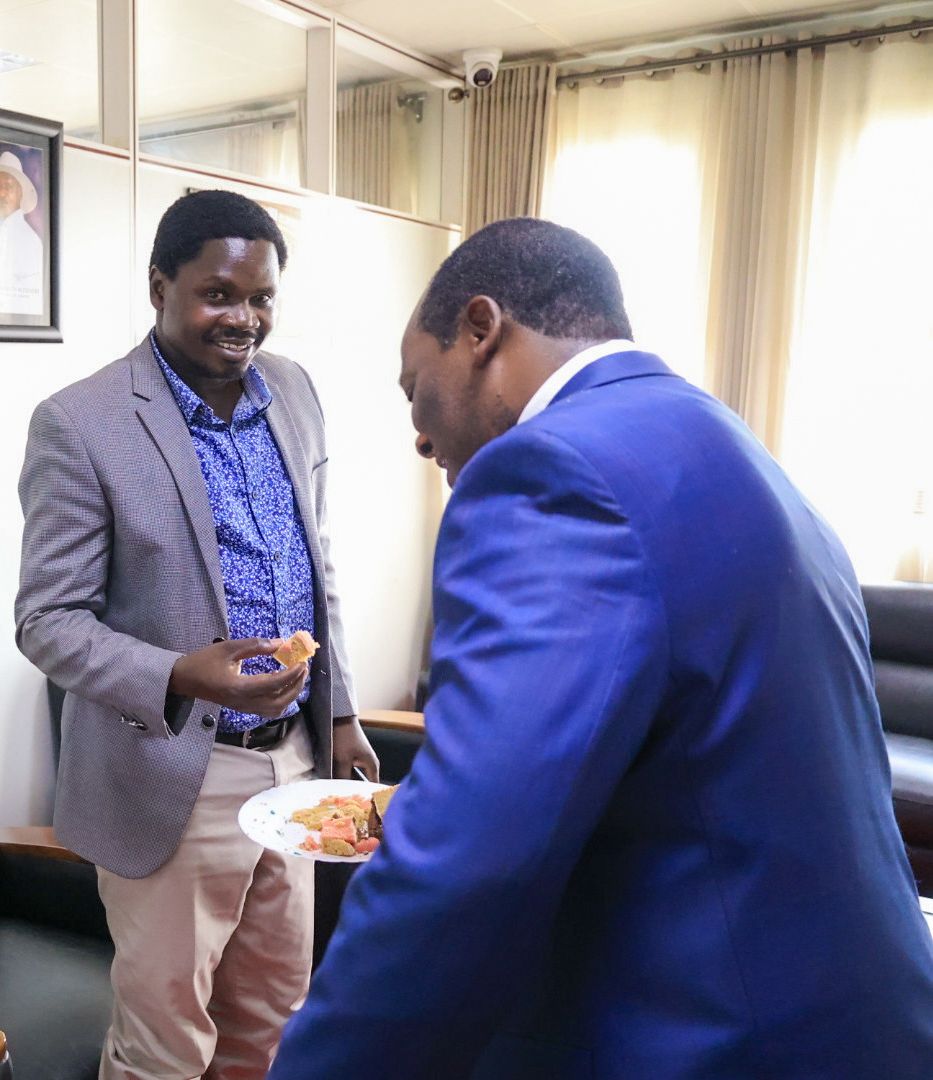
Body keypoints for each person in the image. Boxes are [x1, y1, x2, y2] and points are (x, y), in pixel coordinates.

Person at [269, 217, 933, 1079]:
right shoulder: (718, 437)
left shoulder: (549, 476)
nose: (421, 436)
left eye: (414, 390)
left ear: (479, 330)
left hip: (710, 1035)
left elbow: (469, 863)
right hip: (847, 1014)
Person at [15, 189, 378, 1080]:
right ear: (159, 287)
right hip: (170, 771)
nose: (243, 318)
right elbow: (46, 620)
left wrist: (338, 715)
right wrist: (180, 672)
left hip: (293, 761)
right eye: (218, 294)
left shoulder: (293, 390)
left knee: (273, 1016)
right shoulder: (81, 422)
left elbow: (314, 561)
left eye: (260, 297)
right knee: (165, 1045)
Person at [0, 148, 43, 316]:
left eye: (8, 186)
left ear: (20, 193)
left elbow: (31, 301)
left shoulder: (31, 241)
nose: (1, 193)